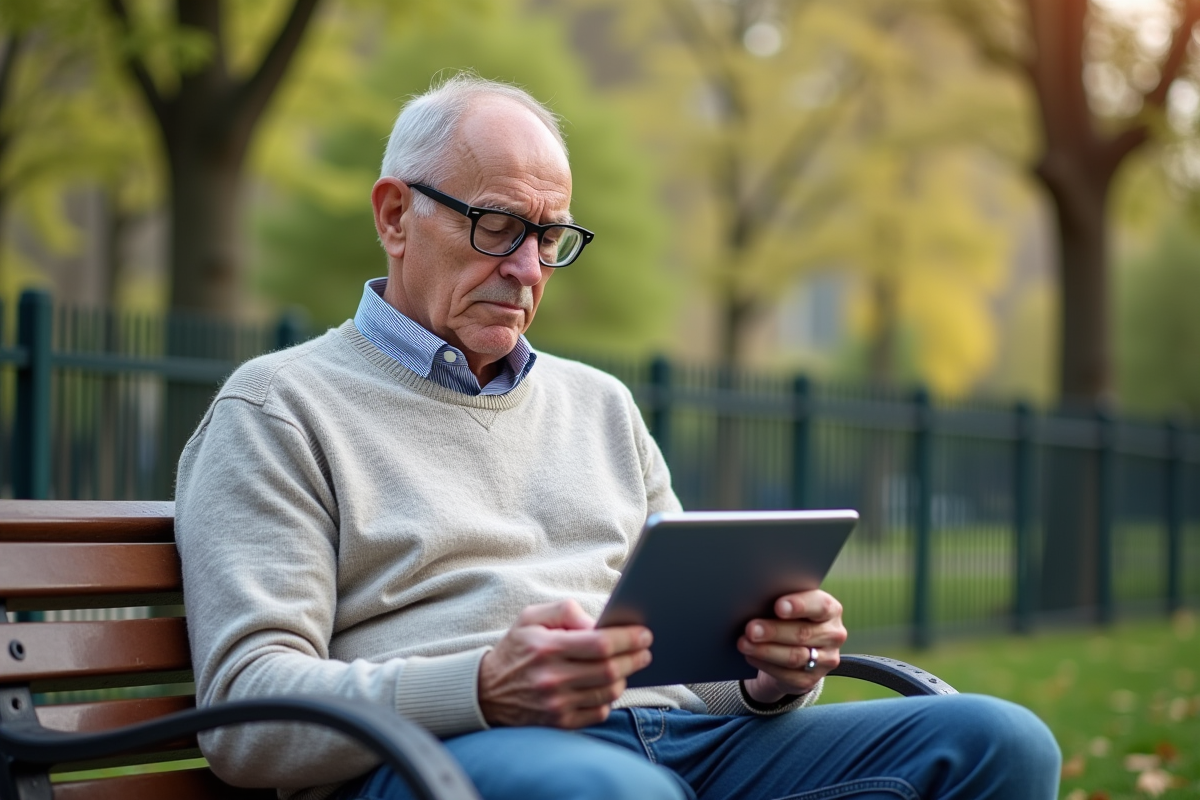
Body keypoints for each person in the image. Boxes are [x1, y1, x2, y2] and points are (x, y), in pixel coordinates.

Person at [174, 73, 1061, 800]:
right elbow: (247, 715)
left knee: (998, 741)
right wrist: (482, 687)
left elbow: (679, 657)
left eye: (549, 236)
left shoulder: (599, 404)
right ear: (396, 216)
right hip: (443, 762)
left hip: (682, 746)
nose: (526, 269)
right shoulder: (279, 408)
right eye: (497, 226)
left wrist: (766, 670)